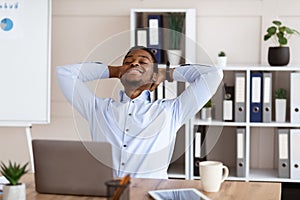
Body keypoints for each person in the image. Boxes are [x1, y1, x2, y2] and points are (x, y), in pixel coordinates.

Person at [56, 46, 223, 179]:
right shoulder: (98, 109)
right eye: (128, 62)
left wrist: (165, 73)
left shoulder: (171, 111)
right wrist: (114, 70)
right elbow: (64, 74)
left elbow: (213, 74)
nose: (134, 64)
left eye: (143, 62)